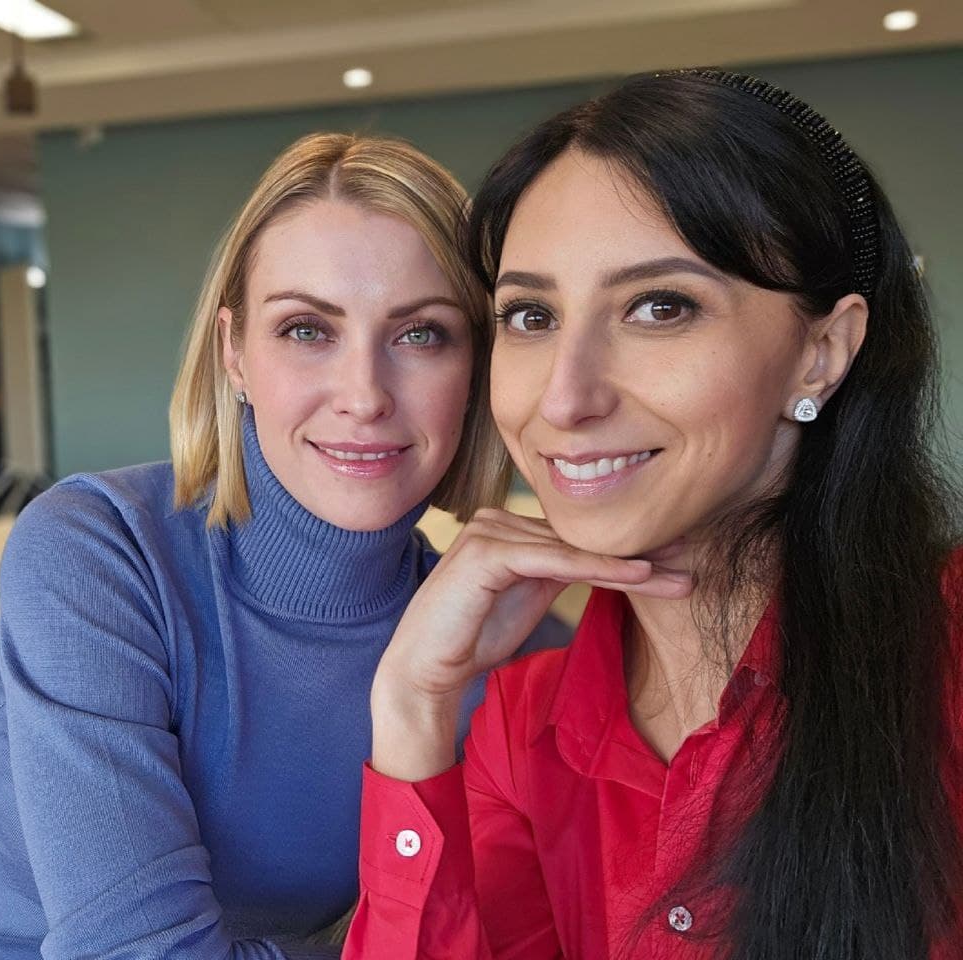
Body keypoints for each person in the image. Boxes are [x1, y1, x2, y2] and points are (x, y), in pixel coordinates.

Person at [0, 132, 568, 960]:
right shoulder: (100, 550)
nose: (363, 395)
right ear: (235, 354)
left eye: (423, 334)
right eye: (305, 330)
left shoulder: (502, 639)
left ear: (479, 366)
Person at [344, 70, 962, 960]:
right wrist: (409, 706)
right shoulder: (525, 723)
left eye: (659, 307)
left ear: (822, 353)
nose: (565, 397)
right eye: (529, 316)